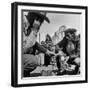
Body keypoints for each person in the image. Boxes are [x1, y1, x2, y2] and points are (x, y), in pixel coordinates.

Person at [23, 11, 55, 77]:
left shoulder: (29, 26)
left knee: (33, 56)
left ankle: (24, 74)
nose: (40, 23)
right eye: (40, 20)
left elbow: (34, 43)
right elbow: (25, 46)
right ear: (35, 18)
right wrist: (34, 30)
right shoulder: (22, 23)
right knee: (33, 61)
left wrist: (46, 51)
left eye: (41, 21)